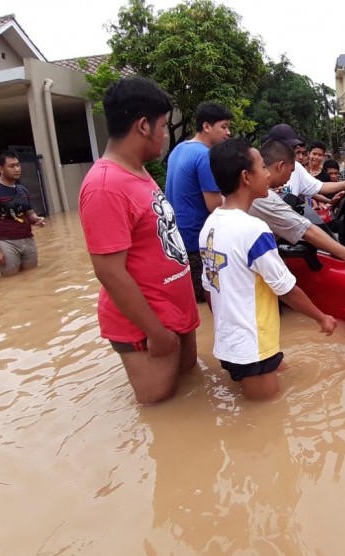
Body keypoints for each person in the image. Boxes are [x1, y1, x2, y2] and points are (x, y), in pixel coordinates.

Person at [79, 77, 200, 405]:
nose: (165, 134)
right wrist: (156, 333)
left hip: (174, 311)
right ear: (143, 125)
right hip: (148, 327)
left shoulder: (139, 171)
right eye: (163, 125)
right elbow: (109, 272)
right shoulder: (105, 186)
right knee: (161, 408)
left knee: (190, 393)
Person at [200, 138, 337, 400]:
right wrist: (322, 318)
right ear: (246, 177)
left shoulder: (210, 226)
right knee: (264, 420)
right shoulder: (254, 229)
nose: (267, 174)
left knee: (281, 377)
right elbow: (285, 288)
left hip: (231, 343)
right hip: (253, 348)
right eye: (262, 167)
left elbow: (210, 289)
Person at [249, 139, 345, 269]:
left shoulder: (251, 190)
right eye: (291, 171)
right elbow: (306, 230)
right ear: (280, 166)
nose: (291, 177)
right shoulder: (265, 198)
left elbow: (318, 187)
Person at [165, 101, 233, 302]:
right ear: (206, 126)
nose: (228, 133)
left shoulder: (179, 149)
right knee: (207, 299)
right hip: (197, 240)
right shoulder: (205, 156)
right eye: (224, 127)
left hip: (175, 239)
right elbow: (214, 206)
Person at [0, 151, 45, 276]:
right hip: (6, 242)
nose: (16, 169)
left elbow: (29, 213)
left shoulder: (22, 190)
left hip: (28, 239)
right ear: (1, 168)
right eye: (11, 166)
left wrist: (36, 219)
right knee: (10, 280)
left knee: (33, 277)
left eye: (18, 165)